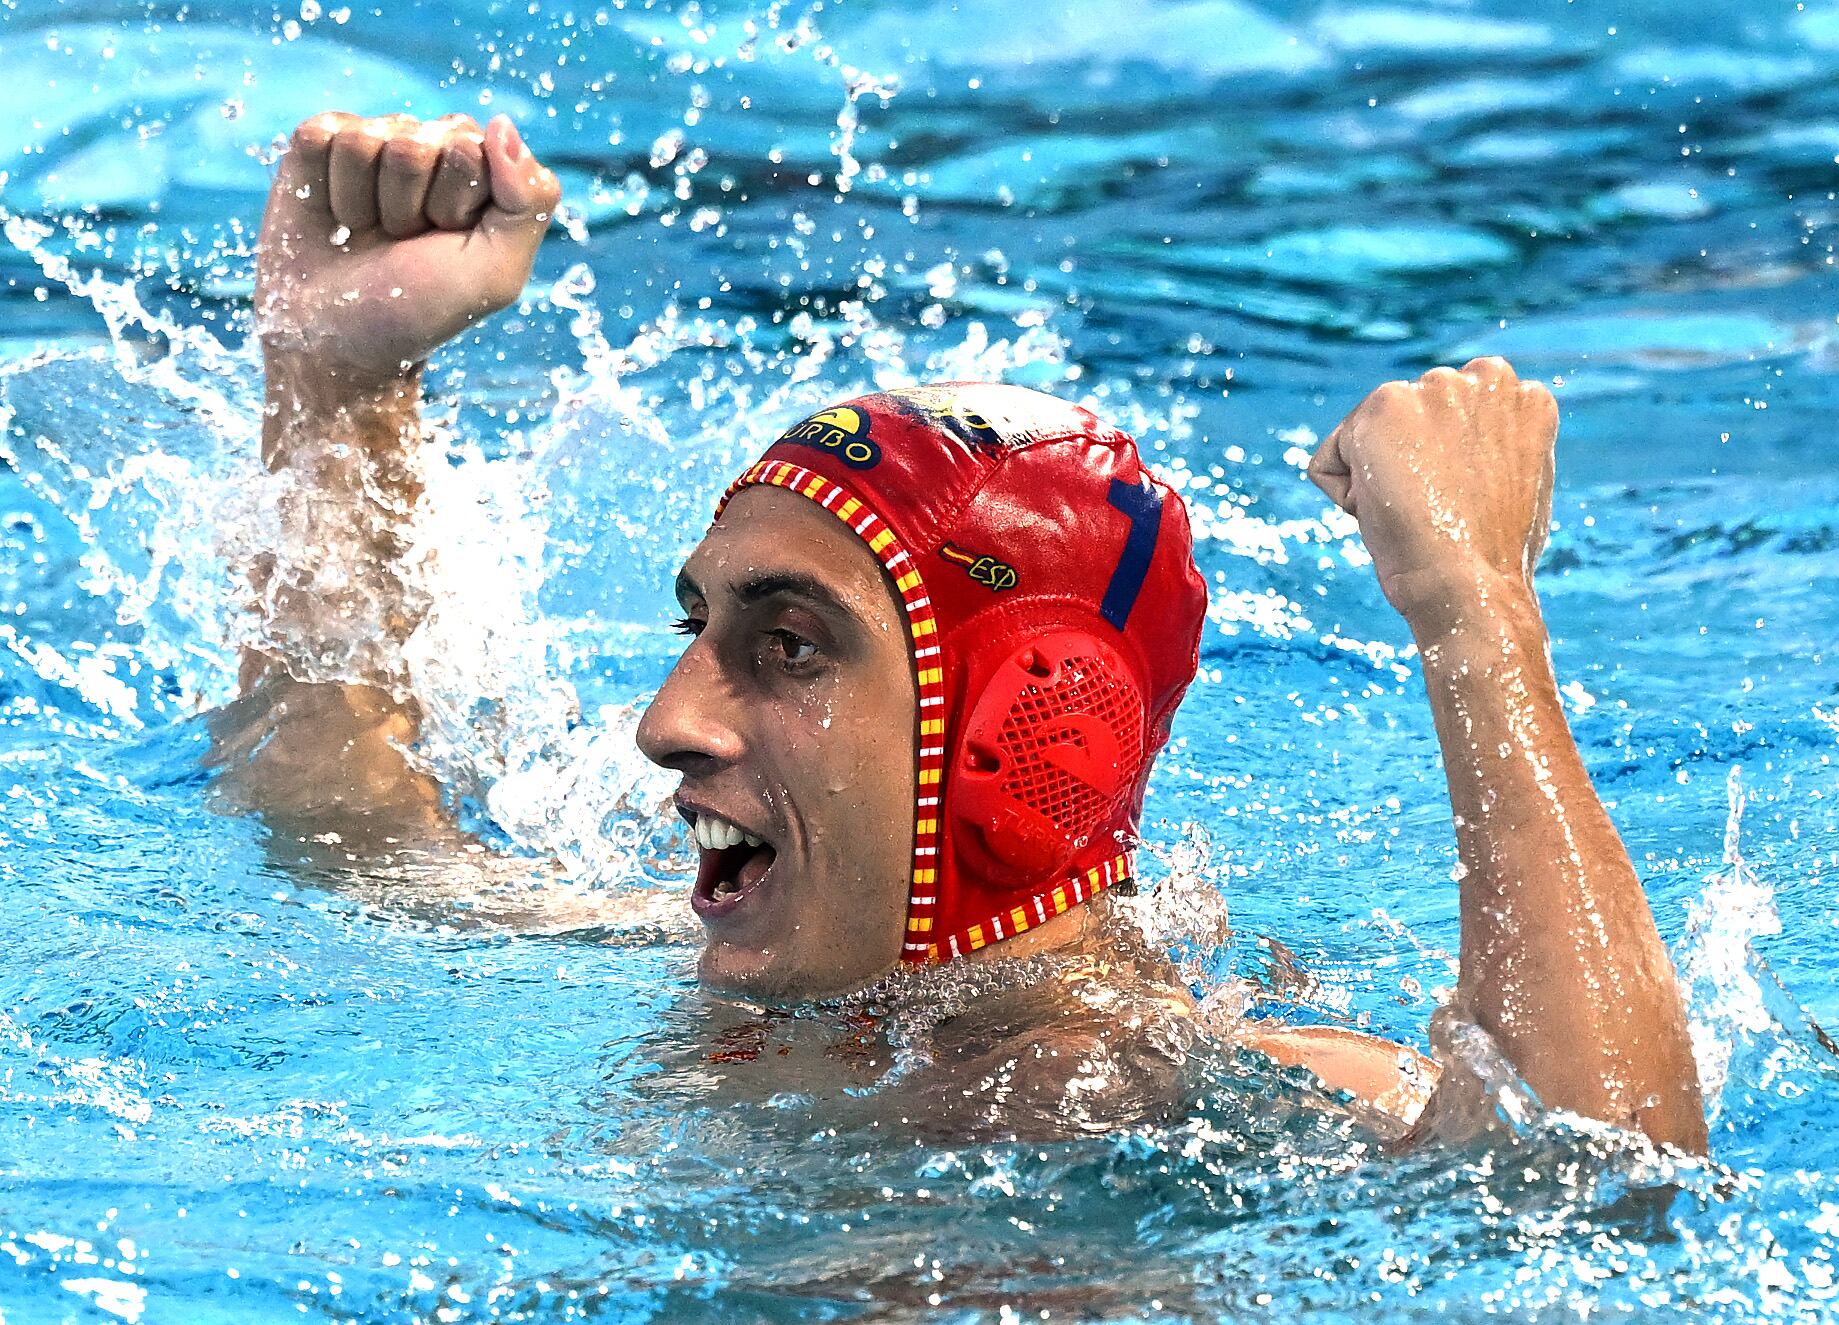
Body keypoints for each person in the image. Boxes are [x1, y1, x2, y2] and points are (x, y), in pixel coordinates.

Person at [220, 110, 1707, 1153]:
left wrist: (1474, 612)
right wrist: (332, 379)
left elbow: (1594, 1176)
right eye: (699, 626)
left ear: (1009, 736)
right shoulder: (720, 986)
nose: (668, 719)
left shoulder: (1176, 1093)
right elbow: (343, 834)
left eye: (787, 645)